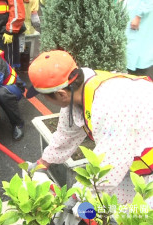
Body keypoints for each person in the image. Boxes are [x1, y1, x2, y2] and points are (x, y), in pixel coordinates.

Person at [26, 50, 153, 222]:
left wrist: (77, 196)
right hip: (134, 162)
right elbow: (66, 134)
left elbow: (110, 164)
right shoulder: (81, 87)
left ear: (61, 94)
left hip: (144, 167)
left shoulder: (109, 105)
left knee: (136, 217)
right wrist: (42, 163)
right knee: (113, 209)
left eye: (47, 98)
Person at [0, 0, 26, 68]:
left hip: (4, 29)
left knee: (6, 63)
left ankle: (9, 76)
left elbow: (17, 11)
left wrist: (10, 30)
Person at [124, 0, 153, 80]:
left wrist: (138, 16)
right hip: (134, 11)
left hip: (140, 15)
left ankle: (139, 74)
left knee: (139, 45)